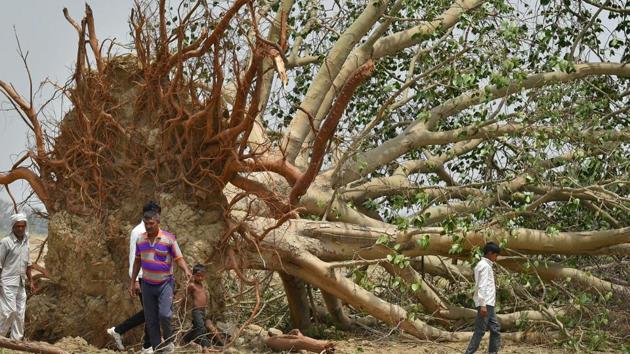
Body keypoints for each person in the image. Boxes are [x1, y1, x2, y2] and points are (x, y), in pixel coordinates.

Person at [130, 209, 192, 353]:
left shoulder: (169, 239)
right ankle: (159, 349)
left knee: (165, 314)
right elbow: (137, 262)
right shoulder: (140, 239)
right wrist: (133, 282)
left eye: (151, 223)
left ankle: (169, 341)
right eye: (146, 223)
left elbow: (179, 258)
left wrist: (186, 270)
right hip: (147, 285)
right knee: (151, 320)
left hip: (165, 284)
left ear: (158, 222)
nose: (148, 226)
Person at [107, 201, 161, 353]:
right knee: (152, 311)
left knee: (151, 312)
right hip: (143, 277)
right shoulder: (138, 232)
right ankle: (146, 347)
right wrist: (135, 280)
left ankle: (119, 331)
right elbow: (133, 257)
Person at [0, 213, 34, 340]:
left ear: (25, 227)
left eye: (22, 226)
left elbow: (28, 263)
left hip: (21, 283)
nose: (20, 229)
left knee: (20, 314)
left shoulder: (26, 242)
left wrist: (31, 281)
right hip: (7, 283)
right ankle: (1, 338)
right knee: (9, 312)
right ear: (13, 227)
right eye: (17, 226)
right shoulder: (6, 242)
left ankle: (16, 342)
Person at [464, 242, 501, 354]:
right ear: (490, 253)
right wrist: (483, 305)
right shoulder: (484, 266)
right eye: (496, 255)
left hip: (488, 303)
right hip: (486, 303)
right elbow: (482, 286)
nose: (496, 258)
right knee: (480, 331)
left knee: (495, 329)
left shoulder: (484, 265)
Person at [182, 264, 211, 352]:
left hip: (203, 311)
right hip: (196, 311)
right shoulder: (192, 285)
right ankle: (205, 347)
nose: (200, 278)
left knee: (197, 328)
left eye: (202, 276)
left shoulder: (202, 286)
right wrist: (182, 307)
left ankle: (185, 339)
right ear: (193, 275)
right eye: (198, 276)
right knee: (201, 328)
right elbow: (185, 296)